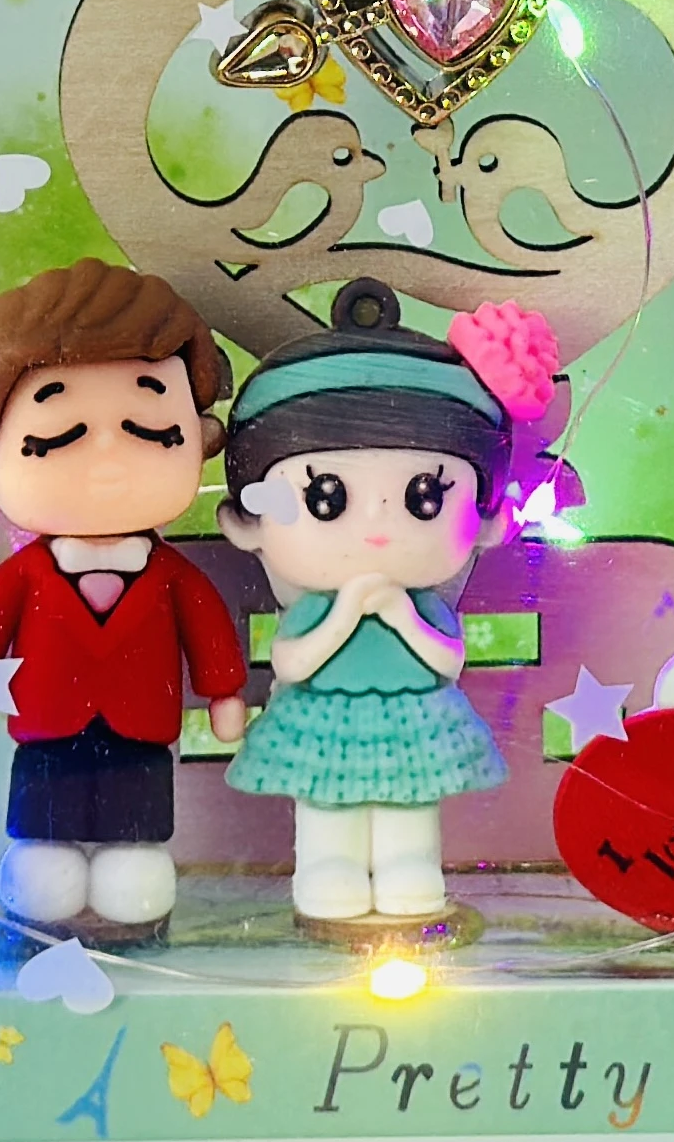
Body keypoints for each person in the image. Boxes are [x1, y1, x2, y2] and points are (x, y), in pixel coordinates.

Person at [220, 278, 558, 921]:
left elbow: (446, 661)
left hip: (413, 726)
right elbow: (290, 663)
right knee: (328, 804)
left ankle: (410, 868)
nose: (376, 524)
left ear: (485, 518)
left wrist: (402, 616)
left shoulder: (423, 606)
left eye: (423, 498)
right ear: (247, 521)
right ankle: (327, 868)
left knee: (409, 805)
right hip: (325, 726)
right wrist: (346, 612)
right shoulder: (317, 607)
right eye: (326, 499)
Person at [0, 259, 247, 931]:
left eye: (150, 432)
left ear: (199, 441)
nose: (107, 461)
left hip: (142, 729)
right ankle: (43, 868)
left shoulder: (173, 577)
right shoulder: (22, 576)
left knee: (135, 821)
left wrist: (225, 691)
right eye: (57, 439)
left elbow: (207, 629)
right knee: (44, 818)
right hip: (46, 727)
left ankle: (131, 870)